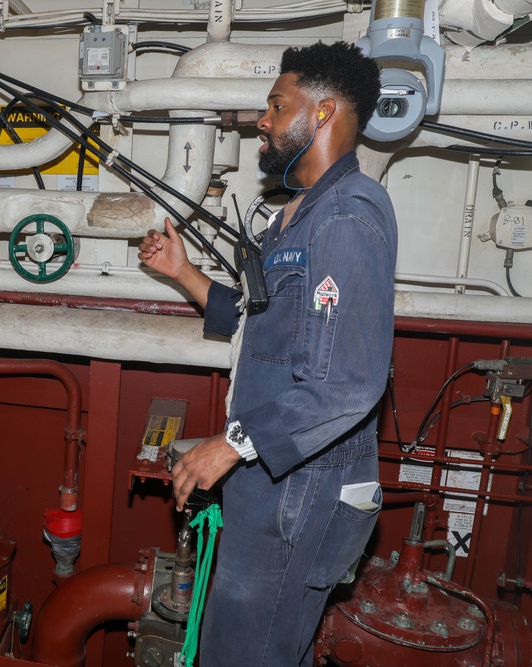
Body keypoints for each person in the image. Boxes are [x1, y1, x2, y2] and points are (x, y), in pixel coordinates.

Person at [139, 41, 397, 666]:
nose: (262, 119)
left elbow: (348, 382)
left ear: (324, 112)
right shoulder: (294, 219)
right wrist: (183, 274)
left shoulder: (346, 217)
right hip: (273, 481)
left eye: (277, 106)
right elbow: (263, 324)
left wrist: (229, 444)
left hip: (302, 487)